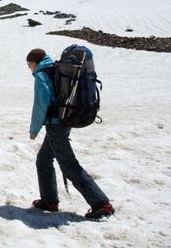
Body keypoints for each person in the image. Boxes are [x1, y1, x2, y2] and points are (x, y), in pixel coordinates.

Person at [26, 48, 115, 219]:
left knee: (69, 166)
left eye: (29, 64)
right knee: (43, 160)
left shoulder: (42, 75)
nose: (29, 68)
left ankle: (101, 203)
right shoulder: (55, 69)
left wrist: (33, 130)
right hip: (64, 122)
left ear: (34, 62)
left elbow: (40, 104)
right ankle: (49, 201)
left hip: (55, 126)